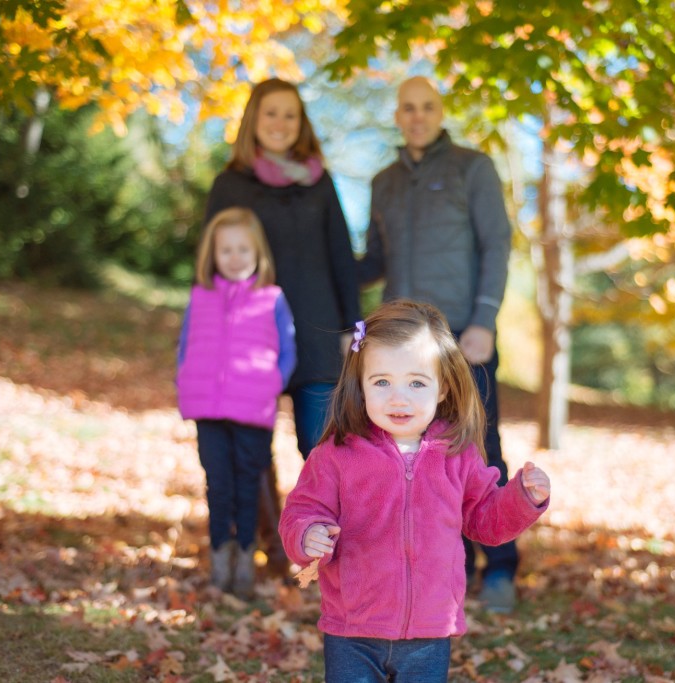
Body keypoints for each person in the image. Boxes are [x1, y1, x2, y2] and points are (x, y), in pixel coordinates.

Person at [278, 300, 550, 683]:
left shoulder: (457, 454)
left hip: (429, 629)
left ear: (442, 388)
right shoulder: (336, 454)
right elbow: (301, 510)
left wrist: (522, 499)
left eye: (416, 383)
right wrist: (308, 533)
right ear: (361, 386)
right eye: (382, 382)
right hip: (353, 629)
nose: (398, 397)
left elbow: (485, 520)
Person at [357, 76, 520, 612]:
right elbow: (373, 261)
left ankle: (501, 568)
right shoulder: (383, 183)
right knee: (420, 457)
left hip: (463, 339)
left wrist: (485, 320)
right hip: (403, 348)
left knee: (479, 448)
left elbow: (496, 244)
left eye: (427, 106)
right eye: (408, 108)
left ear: (440, 111)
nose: (418, 116)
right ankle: (451, 568)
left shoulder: (472, 168)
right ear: (397, 115)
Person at [204, 78, 360, 460]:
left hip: (319, 333)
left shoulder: (320, 183)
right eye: (271, 113)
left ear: (301, 122)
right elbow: (210, 266)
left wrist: (352, 330)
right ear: (253, 119)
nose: (280, 123)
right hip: (249, 336)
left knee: (324, 453)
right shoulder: (229, 185)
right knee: (251, 456)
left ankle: (325, 505)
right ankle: (264, 504)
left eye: (290, 115)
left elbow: (341, 257)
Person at [176, 207, 297, 600]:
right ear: (212, 254)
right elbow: (186, 345)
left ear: (258, 252)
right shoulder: (201, 296)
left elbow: (287, 350)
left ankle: (245, 562)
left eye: (243, 249)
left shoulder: (272, 298)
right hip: (208, 411)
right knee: (218, 485)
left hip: (252, 410)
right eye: (225, 250)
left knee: (248, 487)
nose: (234, 257)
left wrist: (272, 385)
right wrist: (185, 379)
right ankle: (219, 563)